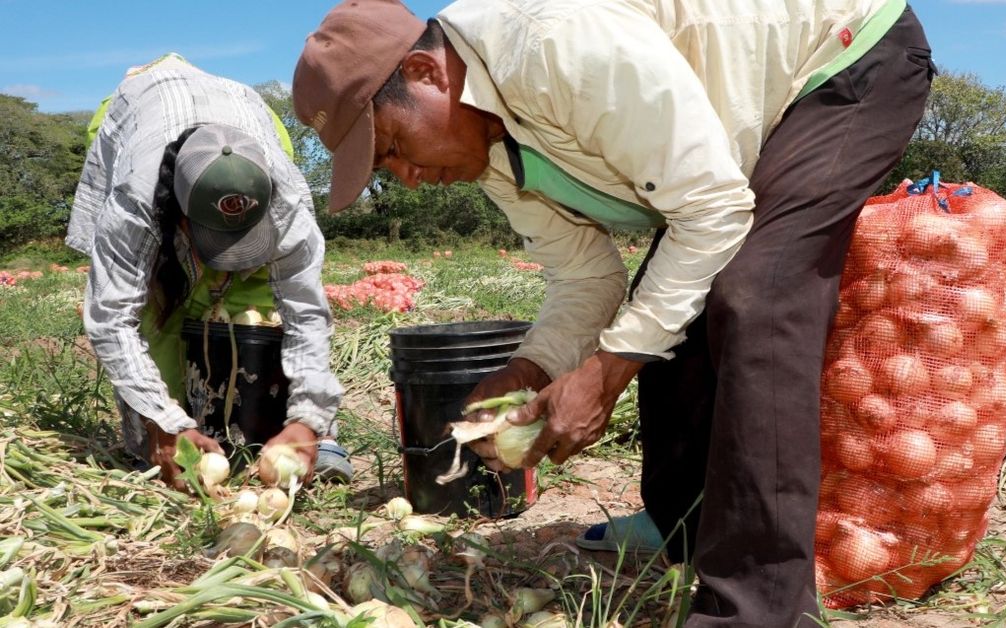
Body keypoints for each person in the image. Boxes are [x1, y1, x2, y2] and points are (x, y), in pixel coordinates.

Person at [293, 0, 934, 623]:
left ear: (426, 73)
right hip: (729, 147)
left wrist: (604, 375)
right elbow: (587, 276)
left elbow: (711, 213)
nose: (406, 176)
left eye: (395, 146)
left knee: (755, 297)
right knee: (670, 312)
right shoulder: (483, 145)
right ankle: (688, 532)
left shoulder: (553, 47)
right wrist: (530, 371)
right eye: (387, 169)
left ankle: (759, 607)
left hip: (841, 57)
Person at [68, 54, 353, 492]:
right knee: (156, 307)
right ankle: (168, 435)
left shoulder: (287, 199)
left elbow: (306, 314)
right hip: (143, 117)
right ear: (181, 218)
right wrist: (163, 420)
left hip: (241, 113)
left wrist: (310, 418)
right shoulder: (134, 204)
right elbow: (112, 318)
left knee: (254, 308)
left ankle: (302, 434)